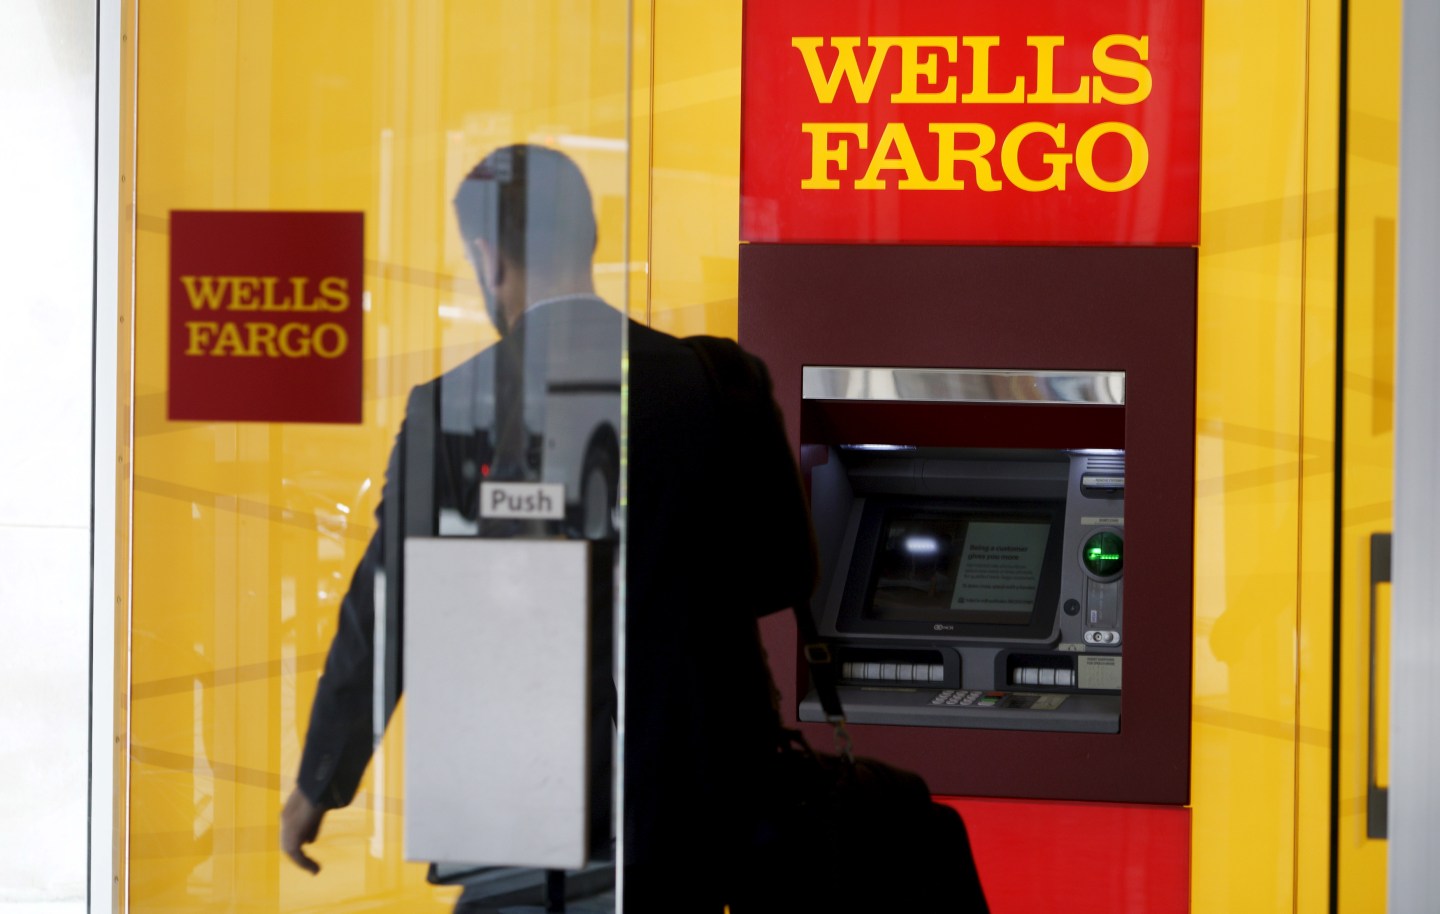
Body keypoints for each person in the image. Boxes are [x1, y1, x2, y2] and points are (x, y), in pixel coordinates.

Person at [279, 144, 817, 913]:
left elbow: (385, 613)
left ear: (488, 257)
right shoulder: (714, 383)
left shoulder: (453, 407)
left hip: (517, 819)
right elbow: (783, 577)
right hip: (688, 806)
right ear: (591, 239)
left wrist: (319, 784)